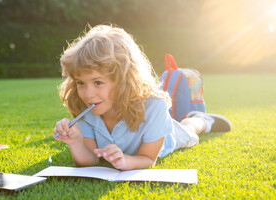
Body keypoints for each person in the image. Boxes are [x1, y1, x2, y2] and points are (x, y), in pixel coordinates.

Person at [53, 24, 231, 171]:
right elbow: (92, 161)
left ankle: (200, 119)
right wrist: (76, 142)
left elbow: (147, 159)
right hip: (135, 143)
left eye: (98, 82)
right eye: (81, 83)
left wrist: (126, 161)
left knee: (188, 130)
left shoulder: (154, 106)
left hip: (164, 139)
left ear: (123, 80)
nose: (88, 94)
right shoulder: (86, 108)